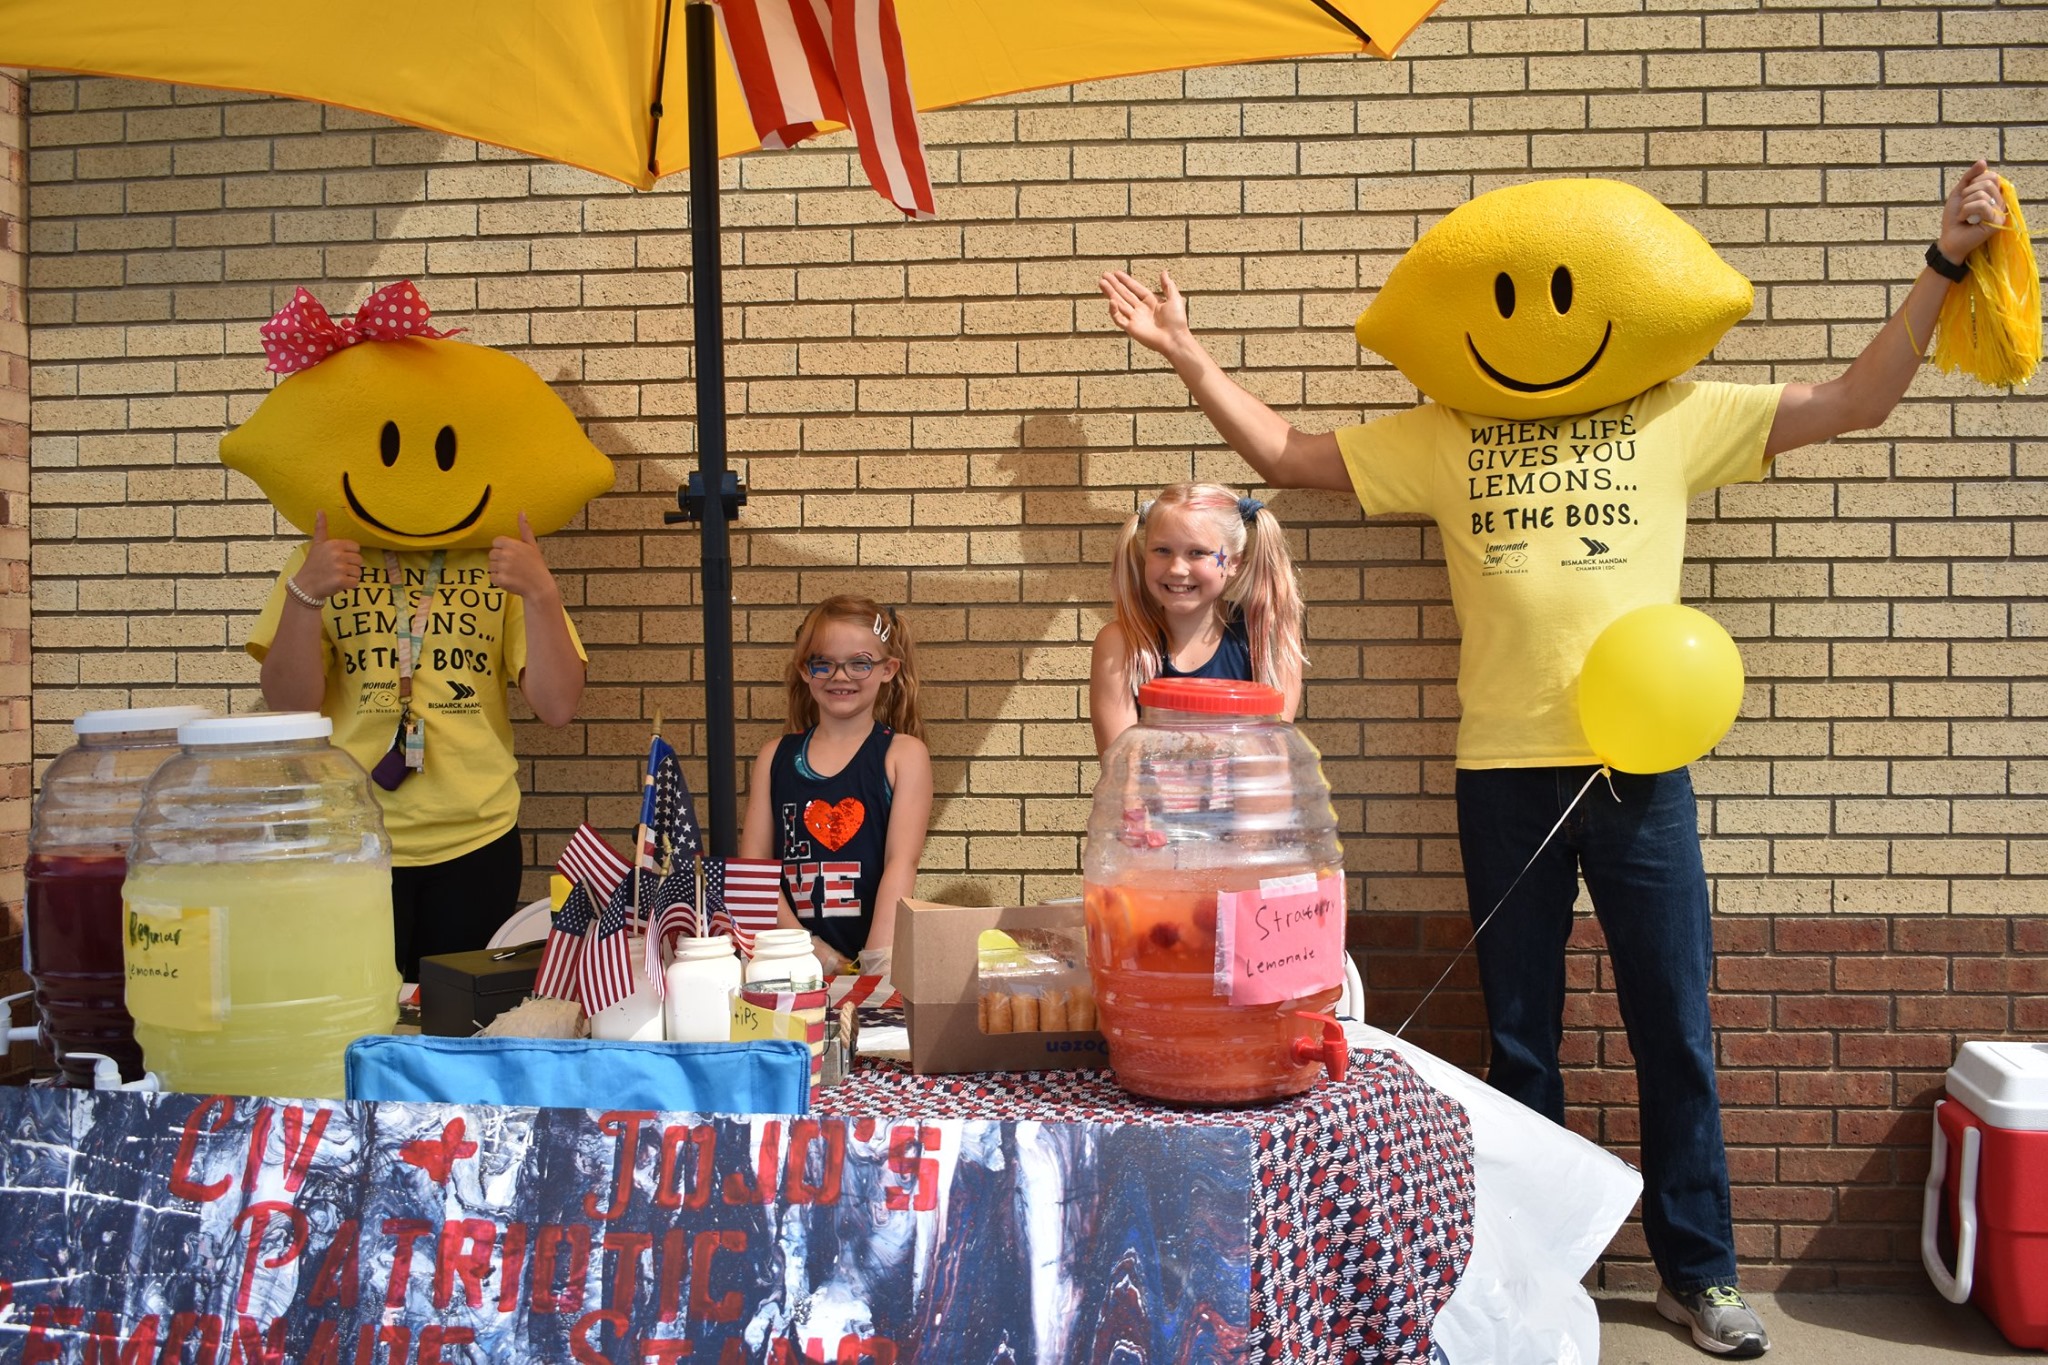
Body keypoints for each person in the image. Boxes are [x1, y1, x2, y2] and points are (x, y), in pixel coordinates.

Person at [1100, 161, 2009, 1358]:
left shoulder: (1677, 414)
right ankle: (1524, 1276)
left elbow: (1853, 400)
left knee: (1669, 1026)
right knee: (1518, 1035)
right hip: (1501, 769)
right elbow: (1288, 454)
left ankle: (1702, 1271)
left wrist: (1942, 265)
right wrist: (1188, 355)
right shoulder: (1444, 435)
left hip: (1642, 773)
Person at [250, 508, 587, 981]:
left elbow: (557, 706)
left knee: (458, 1023)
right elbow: (289, 709)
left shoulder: (500, 559)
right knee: (356, 1013)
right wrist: (305, 597)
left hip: (475, 837)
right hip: (352, 840)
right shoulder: (322, 557)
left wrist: (541, 591)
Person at [741, 594, 934, 979]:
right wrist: (809, 951)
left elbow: (901, 863)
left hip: (874, 960)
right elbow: (753, 868)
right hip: (789, 959)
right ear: (804, 670)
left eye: (859, 664)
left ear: (887, 669)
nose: (840, 676)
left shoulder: (903, 755)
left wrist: (876, 965)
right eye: (823, 663)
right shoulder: (774, 757)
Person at [1089, 482, 1307, 755]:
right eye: (1162, 550)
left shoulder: (1266, 636)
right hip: (1151, 798)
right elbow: (1124, 771)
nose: (1177, 569)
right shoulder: (1121, 644)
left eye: (1197, 553)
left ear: (1233, 562)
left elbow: (1268, 761)